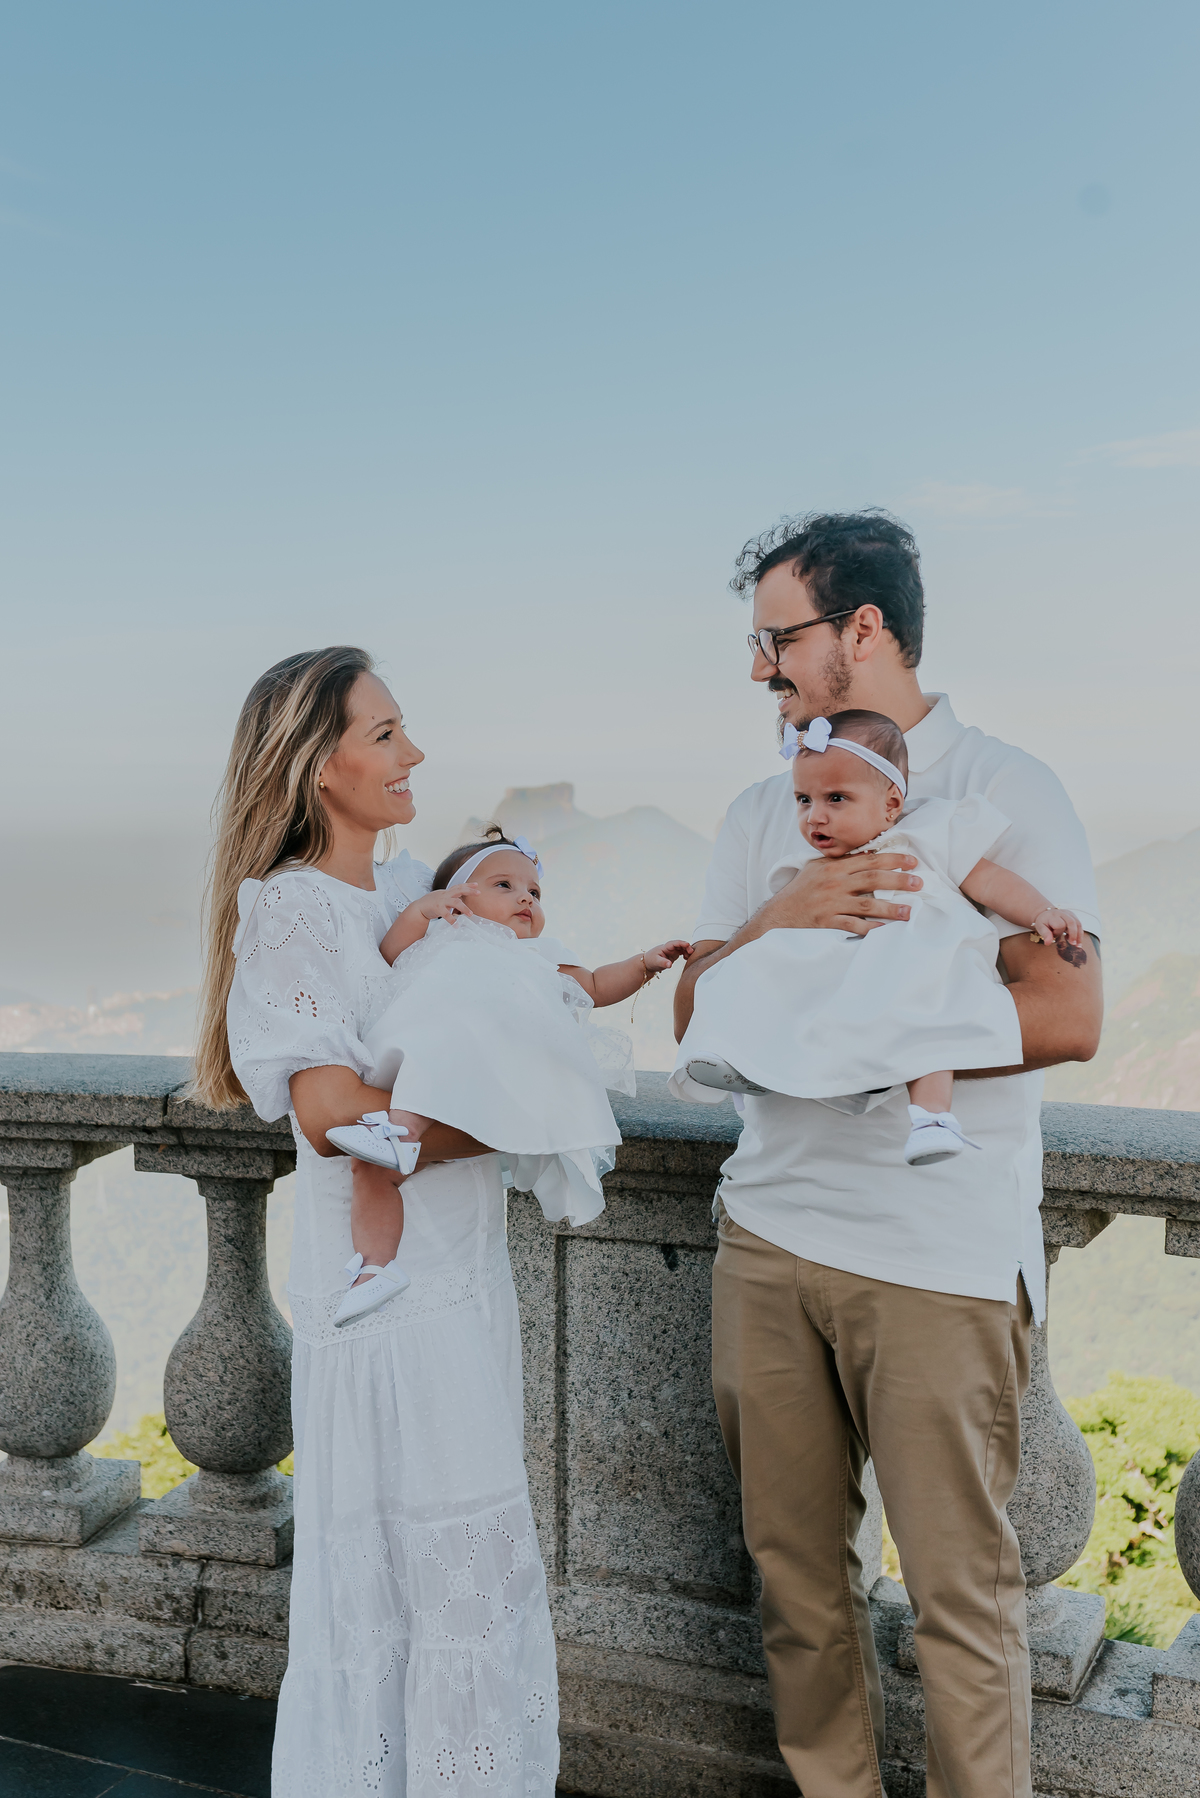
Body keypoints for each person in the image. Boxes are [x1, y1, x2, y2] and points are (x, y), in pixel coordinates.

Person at [673, 513, 1103, 1798]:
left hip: (937, 1251)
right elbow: (696, 1012)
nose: (759, 666)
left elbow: (1067, 1012)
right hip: (768, 1233)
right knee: (797, 1582)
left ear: (862, 630)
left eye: (778, 638)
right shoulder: (765, 810)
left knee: (962, 1599)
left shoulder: (1005, 790)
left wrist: (848, 1041)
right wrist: (782, 915)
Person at [193, 646, 561, 1798]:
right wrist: (504, 1117)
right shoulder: (293, 911)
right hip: (387, 1310)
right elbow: (329, 1114)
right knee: (414, 1593)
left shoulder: (407, 893)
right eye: (387, 733)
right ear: (320, 766)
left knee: (470, 1582)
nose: (416, 754)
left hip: (461, 1278)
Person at [671, 708, 1083, 1166]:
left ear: (891, 803)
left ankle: (932, 1119)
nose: (815, 816)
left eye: (836, 799)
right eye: (803, 799)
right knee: (763, 966)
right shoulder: (813, 871)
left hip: (914, 955)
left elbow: (988, 881)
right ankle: (742, 1053)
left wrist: (1040, 912)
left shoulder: (928, 832)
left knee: (928, 1021)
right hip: (841, 970)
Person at [317, 829, 690, 1322]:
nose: (526, 898)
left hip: (477, 1075)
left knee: (448, 1031)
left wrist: (644, 963)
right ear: (456, 899)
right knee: (369, 1170)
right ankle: (374, 1267)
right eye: (504, 886)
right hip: (417, 1076)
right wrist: (421, 912)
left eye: (534, 891)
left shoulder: (535, 956)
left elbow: (596, 986)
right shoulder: (441, 937)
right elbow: (388, 955)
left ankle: (401, 1132)